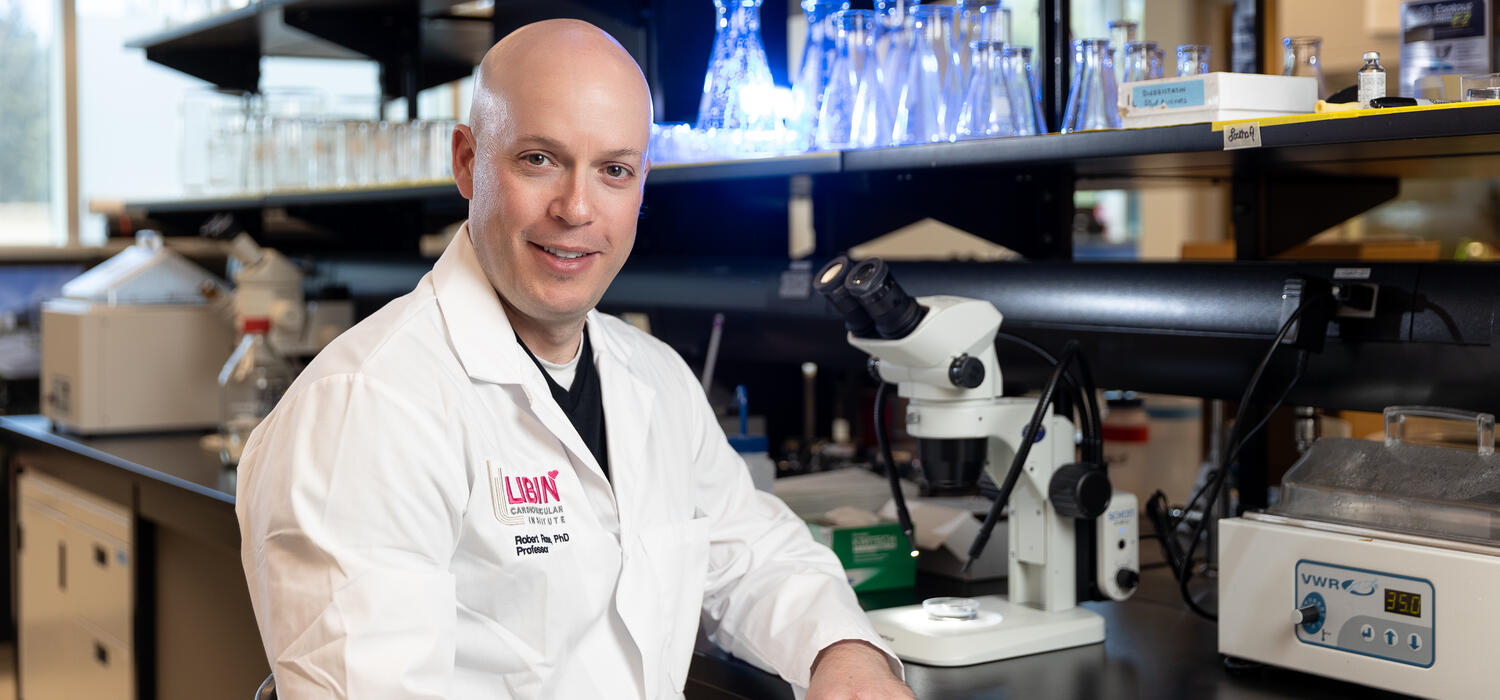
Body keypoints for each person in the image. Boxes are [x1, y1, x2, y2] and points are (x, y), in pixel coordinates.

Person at [236, 18, 914, 700]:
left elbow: (749, 551)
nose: (577, 208)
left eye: (613, 170)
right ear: (468, 162)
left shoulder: (654, 378)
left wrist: (844, 652)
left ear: (642, 185)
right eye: (540, 159)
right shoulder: (369, 405)